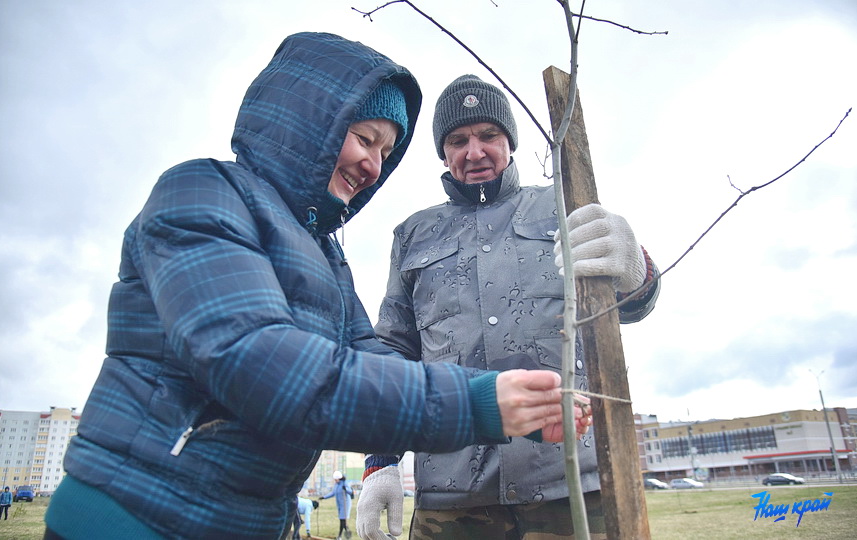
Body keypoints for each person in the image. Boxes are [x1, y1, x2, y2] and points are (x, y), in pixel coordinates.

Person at [42, 35, 567, 540]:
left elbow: (375, 363)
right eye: (364, 139)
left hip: (245, 521)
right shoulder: (202, 192)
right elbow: (259, 364)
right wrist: (474, 405)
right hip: (136, 517)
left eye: (386, 150)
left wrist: (519, 402)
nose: (373, 164)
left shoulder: (326, 255)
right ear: (309, 122)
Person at [357, 75, 661, 540]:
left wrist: (637, 269)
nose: (473, 151)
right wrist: (381, 461)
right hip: (453, 493)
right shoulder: (413, 236)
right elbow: (394, 354)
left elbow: (629, 310)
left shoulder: (563, 205)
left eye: (488, 136)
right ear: (443, 152)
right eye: (458, 140)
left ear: (510, 142)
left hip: (570, 482)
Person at [320, 471, 354, 540]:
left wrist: (346, 489)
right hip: (339, 505)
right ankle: (347, 533)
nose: (335, 480)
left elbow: (350, 492)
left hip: (345, 504)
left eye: (336, 479)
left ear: (339, 478)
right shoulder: (336, 485)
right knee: (342, 520)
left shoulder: (345, 483)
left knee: (342, 520)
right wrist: (324, 497)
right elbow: (333, 493)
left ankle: (340, 536)